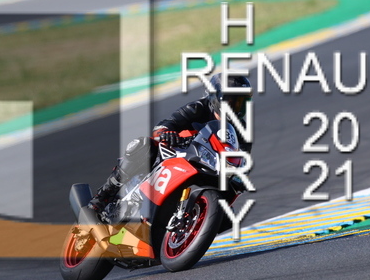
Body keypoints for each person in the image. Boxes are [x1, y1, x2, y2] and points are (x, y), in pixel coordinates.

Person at [88, 73, 253, 212]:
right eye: (232, 101)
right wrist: (167, 134)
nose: (237, 107)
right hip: (178, 153)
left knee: (227, 212)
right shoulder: (198, 108)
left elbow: (241, 160)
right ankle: (103, 196)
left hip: (210, 168)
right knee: (144, 145)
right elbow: (166, 125)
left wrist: (240, 175)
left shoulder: (242, 130)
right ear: (216, 97)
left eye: (241, 102)